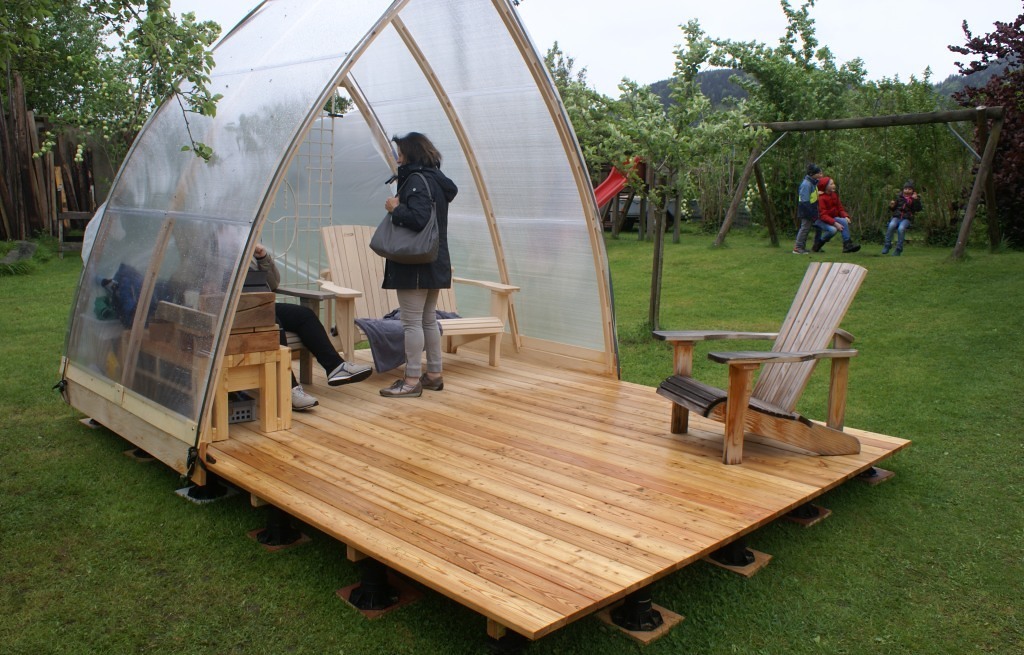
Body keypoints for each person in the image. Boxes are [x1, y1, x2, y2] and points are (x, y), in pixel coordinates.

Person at [379, 132, 458, 398]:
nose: (398, 159)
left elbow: (419, 218)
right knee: (427, 320)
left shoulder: (415, 180)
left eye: (400, 153)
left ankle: (411, 380)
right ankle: (434, 374)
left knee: (411, 322)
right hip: (434, 260)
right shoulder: (437, 179)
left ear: (411, 154)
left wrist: (395, 208)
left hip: (415, 262)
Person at [252, 244, 372, 410]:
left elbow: (272, 284)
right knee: (274, 322)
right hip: (237, 313)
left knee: (304, 315)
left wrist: (262, 258)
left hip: (262, 305)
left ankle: (335, 367)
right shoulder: (220, 251)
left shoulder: (248, 248)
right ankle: (287, 388)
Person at [814, 177, 861, 253]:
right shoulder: (821, 198)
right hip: (820, 220)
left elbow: (840, 209)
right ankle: (818, 244)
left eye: (834, 183)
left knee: (844, 221)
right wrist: (835, 223)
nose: (834, 185)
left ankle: (847, 244)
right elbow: (823, 215)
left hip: (831, 218)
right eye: (831, 184)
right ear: (825, 187)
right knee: (833, 230)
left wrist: (845, 216)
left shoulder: (834, 195)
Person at [882, 180, 922, 256]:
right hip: (897, 217)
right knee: (891, 225)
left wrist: (916, 200)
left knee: (901, 229)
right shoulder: (899, 198)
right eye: (906, 189)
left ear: (913, 191)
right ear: (903, 190)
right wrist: (891, 206)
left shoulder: (914, 199)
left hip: (906, 219)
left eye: (909, 189)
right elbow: (893, 209)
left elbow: (918, 209)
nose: (907, 191)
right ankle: (887, 245)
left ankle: (899, 249)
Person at [793, 163, 823, 254]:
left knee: (809, 228)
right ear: (812, 174)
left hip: (811, 209)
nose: (821, 175)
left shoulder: (812, 183)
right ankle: (798, 247)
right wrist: (810, 213)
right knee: (805, 228)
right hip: (806, 210)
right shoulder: (806, 184)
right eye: (819, 173)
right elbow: (804, 201)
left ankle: (803, 247)